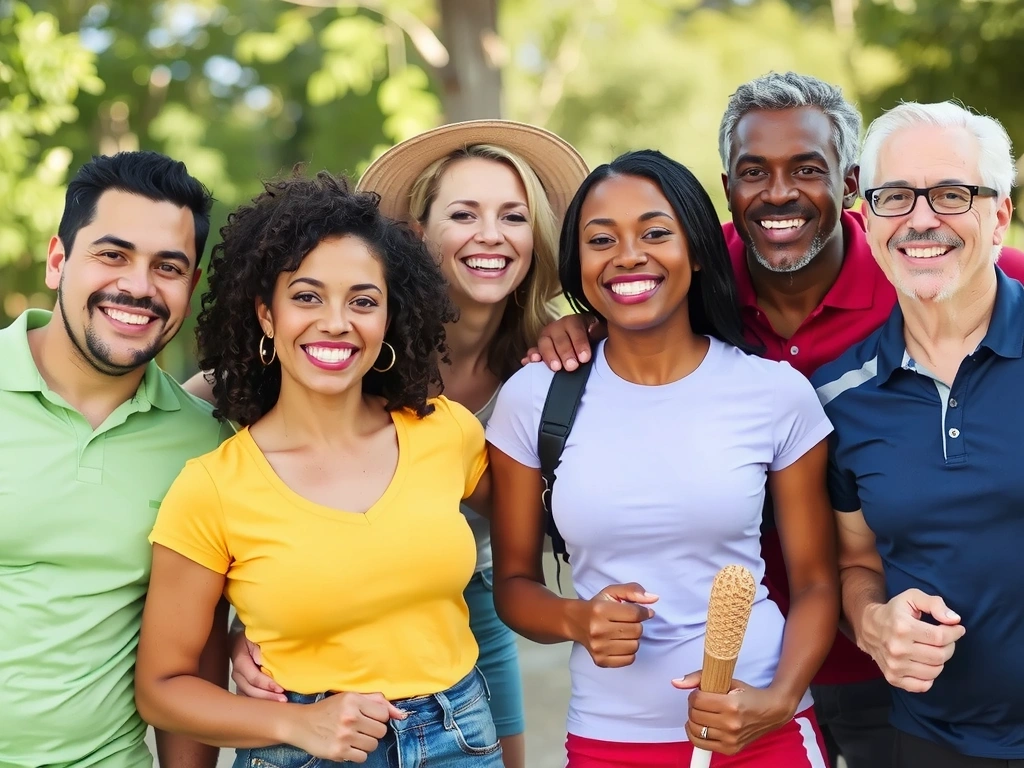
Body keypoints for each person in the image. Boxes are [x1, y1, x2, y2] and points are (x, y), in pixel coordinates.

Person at [523, 71, 1024, 768]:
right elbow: (630, 291)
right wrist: (577, 327)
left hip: (907, 673)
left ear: (849, 183)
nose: (780, 192)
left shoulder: (923, 264)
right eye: (755, 172)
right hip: (749, 671)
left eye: (807, 169)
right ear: (728, 189)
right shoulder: (694, 277)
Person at [198, 119, 589, 768]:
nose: (490, 234)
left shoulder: (551, 356)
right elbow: (216, 396)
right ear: (417, 234)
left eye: (513, 216)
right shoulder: (356, 336)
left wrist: (595, 325)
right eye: (464, 214)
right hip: (326, 602)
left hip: (471, 590)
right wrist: (255, 624)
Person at [134, 171, 502, 768]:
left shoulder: (448, 432)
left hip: (460, 737)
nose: (336, 322)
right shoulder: (212, 488)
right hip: (301, 751)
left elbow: (549, 522)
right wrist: (298, 721)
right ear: (266, 315)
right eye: (307, 297)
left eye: (363, 300)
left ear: (389, 319)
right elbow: (162, 689)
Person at [485, 149, 839, 767]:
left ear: (697, 250)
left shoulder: (774, 392)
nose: (628, 255)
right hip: (609, 740)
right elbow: (514, 586)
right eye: (602, 239)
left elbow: (814, 581)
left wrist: (778, 701)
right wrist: (577, 619)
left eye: (655, 233)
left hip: (761, 732)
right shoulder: (534, 397)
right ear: (580, 264)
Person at [0, 151, 231, 768]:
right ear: (58, 260)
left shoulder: (203, 447)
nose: (138, 286)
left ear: (192, 285)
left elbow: (195, 656)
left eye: (168, 267)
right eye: (112, 254)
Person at [812, 102, 1024, 768]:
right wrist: (873, 623)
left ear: (999, 216)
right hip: (930, 743)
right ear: (869, 221)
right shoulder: (840, 398)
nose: (922, 219)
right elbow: (857, 562)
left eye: (952, 193)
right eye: (895, 197)